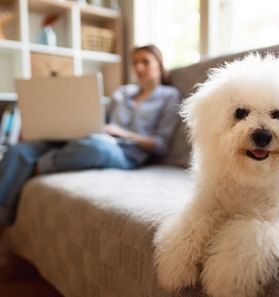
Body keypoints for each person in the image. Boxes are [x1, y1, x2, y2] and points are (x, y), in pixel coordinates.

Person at [0, 45, 181, 232]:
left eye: (145, 62)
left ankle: (37, 167)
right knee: (18, 150)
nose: (139, 68)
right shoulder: (123, 93)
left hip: (125, 153)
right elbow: (99, 120)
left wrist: (123, 133)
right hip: (94, 138)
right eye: (135, 63)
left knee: (97, 146)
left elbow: (160, 145)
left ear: (159, 65)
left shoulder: (169, 96)